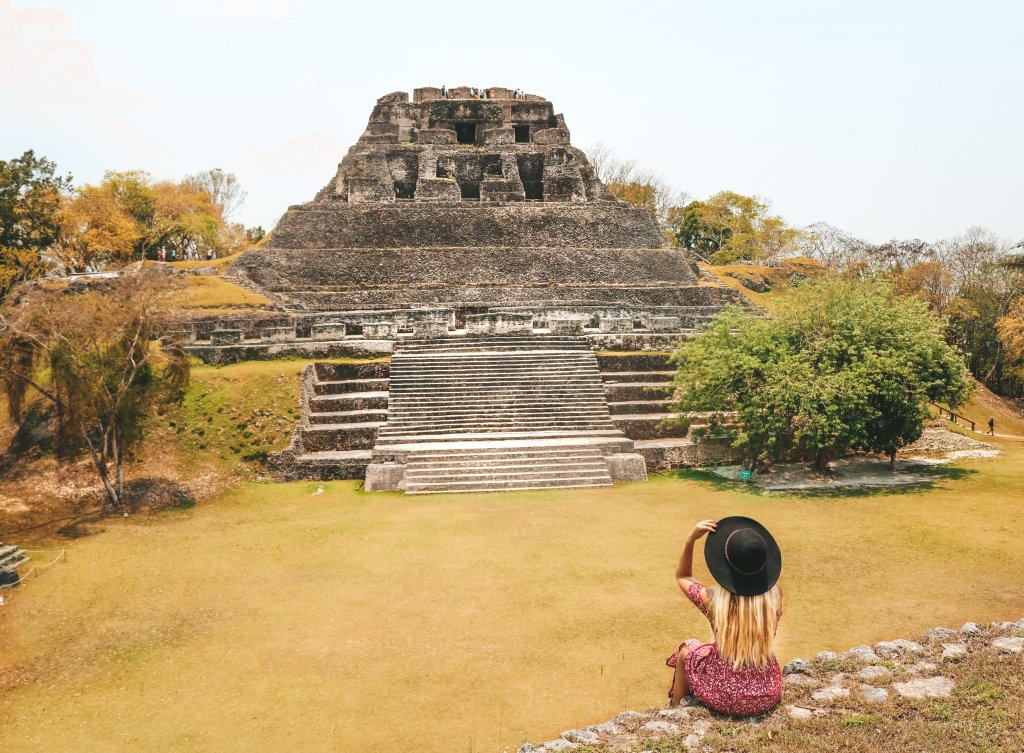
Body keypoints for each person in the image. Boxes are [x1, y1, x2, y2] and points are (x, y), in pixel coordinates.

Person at [667, 516, 784, 716]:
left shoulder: (714, 601)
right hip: (767, 693)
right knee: (714, 642)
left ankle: (675, 707)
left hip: (725, 696)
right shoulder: (774, 596)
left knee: (687, 650)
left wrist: (691, 539)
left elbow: (683, 576)